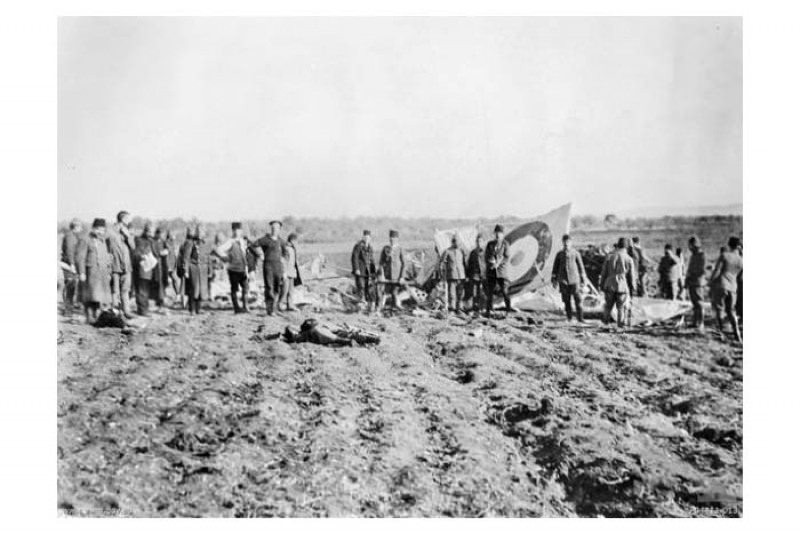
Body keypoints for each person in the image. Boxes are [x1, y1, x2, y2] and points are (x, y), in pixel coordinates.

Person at [75, 218, 113, 324]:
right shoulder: (85, 239)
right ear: (93, 229)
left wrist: (108, 271)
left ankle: (96, 315)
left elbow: (106, 257)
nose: (100, 231)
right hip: (91, 272)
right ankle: (89, 316)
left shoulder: (102, 241)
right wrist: (81, 272)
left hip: (102, 273)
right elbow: (80, 257)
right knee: (89, 295)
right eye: (98, 229)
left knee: (99, 296)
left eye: (102, 229)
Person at [249, 220, 289, 316]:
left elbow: (286, 254)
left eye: (277, 228)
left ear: (279, 229)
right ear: (271, 229)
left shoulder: (281, 241)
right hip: (268, 266)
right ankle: (270, 309)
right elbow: (253, 246)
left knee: (277, 288)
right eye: (273, 228)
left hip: (278, 266)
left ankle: (275, 308)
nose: (275, 229)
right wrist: (260, 254)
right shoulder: (265, 239)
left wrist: (283, 261)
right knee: (269, 287)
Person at [709, 236, 743, 342]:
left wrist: (710, 282)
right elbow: (741, 277)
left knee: (719, 309)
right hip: (733, 288)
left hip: (721, 285)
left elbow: (717, 271)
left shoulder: (724, 255)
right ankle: (737, 333)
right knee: (731, 311)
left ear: (729, 245)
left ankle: (721, 334)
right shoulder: (741, 260)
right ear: (738, 247)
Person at [599, 237, 637, 327]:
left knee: (608, 306)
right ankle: (620, 325)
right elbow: (632, 276)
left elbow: (604, 272)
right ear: (626, 247)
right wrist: (633, 288)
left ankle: (605, 324)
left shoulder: (609, 256)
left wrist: (601, 284)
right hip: (622, 286)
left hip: (609, 284)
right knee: (621, 308)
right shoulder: (629, 259)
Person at [213, 222, 251, 314]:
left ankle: (245, 306)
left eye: (239, 230)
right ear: (233, 231)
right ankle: (236, 308)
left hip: (242, 268)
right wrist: (226, 258)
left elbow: (245, 254)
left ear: (241, 231)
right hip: (233, 269)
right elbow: (218, 250)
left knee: (246, 287)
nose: (237, 232)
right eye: (236, 230)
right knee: (234, 289)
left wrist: (247, 267)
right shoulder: (230, 242)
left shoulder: (242, 241)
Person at [551, 234, 587, 322]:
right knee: (566, 301)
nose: (566, 244)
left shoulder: (575, 253)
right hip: (563, 280)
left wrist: (583, 279)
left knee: (578, 299)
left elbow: (581, 267)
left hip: (574, 280)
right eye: (564, 242)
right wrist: (554, 280)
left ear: (571, 243)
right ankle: (569, 318)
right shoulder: (559, 254)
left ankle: (580, 318)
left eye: (568, 242)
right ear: (562, 243)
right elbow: (555, 268)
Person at [179, 225, 213, 315]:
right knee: (193, 290)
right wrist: (186, 270)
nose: (201, 234)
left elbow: (208, 257)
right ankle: (192, 309)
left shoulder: (205, 244)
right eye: (200, 232)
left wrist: (210, 270)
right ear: (197, 232)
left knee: (201, 290)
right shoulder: (191, 243)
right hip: (193, 268)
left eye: (203, 232)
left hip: (203, 270)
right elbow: (186, 258)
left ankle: (198, 308)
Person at [107, 210, 135, 318]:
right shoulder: (111, 231)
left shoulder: (128, 231)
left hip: (126, 265)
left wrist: (128, 236)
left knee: (125, 289)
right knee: (115, 290)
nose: (129, 221)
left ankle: (126, 311)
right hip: (115, 265)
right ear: (122, 219)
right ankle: (115, 311)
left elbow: (133, 247)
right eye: (128, 218)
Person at [132, 222, 164, 316]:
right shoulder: (139, 240)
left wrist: (161, 253)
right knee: (142, 290)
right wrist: (142, 256)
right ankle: (142, 310)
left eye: (152, 232)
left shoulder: (152, 241)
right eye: (149, 231)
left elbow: (156, 252)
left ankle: (145, 308)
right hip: (143, 268)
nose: (150, 234)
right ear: (145, 231)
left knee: (147, 290)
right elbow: (136, 253)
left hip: (152, 269)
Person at [485, 224, 512, 315]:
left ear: (503, 234)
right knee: (490, 292)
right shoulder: (490, 244)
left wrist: (498, 263)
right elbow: (487, 256)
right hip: (491, 272)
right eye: (496, 233)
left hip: (502, 272)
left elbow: (506, 257)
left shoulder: (505, 244)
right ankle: (489, 310)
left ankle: (508, 309)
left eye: (500, 233)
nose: (497, 235)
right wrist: (491, 262)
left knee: (505, 291)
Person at [377, 230, 406, 310]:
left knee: (394, 292)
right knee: (383, 292)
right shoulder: (385, 249)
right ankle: (379, 308)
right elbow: (381, 263)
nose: (392, 240)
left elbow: (404, 264)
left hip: (397, 276)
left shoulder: (400, 249)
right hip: (387, 276)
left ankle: (394, 308)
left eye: (394, 238)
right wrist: (382, 275)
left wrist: (402, 277)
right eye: (391, 238)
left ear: (397, 239)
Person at [438, 235, 467, 313]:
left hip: (461, 275)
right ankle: (452, 309)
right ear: (452, 242)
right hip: (451, 275)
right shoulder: (447, 251)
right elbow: (441, 263)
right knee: (452, 294)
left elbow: (464, 263)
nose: (457, 243)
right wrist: (442, 274)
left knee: (461, 294)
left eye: (459, 242)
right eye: (456, 242)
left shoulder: (461, 251)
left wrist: (466, 275)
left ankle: (459, 308)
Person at [60, 218, 82, 316]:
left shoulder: (72, 236)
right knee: (70, 286)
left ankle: (69, 308)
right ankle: (68, 310)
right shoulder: (70, 237)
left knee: (71, 286)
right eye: (80, 227)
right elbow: (69, 251)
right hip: (69, 265)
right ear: (76, 227)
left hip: (70, 264)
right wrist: (72, 264)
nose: (81, 229)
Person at [685, 236, 707, 331]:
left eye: (690, 245)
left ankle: (701, 323)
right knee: (694, 303)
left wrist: (693, 275)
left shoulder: (702, 256)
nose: (689, 248)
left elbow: (702, 270)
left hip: (698, 282)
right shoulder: (693, 256)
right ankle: (695, 322)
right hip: (692, 282)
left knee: (699, 303)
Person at [351, 230, 377, 309]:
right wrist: (356, 269)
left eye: (368, 238)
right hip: (360, 270)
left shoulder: (370, 248)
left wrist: (373, 272)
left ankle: (366, 303)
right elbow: (354, 258)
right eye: (365, 237)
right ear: (363, 237)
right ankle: (360, 302)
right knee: (361, 286)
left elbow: (372, 260)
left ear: (370, 239)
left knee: (367, 287)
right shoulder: (358, 246)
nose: (366, 239)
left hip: (367, 271)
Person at [280, 233, 302, 311]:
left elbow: (294, 261)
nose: (297, 243)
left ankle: (290, 305)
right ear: (292, 240)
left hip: (292, 272)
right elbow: (283, 261)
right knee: (284, 290)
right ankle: (279, 305)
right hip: (286, 272)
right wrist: (284, 272)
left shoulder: (292, 248)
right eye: (296, 241)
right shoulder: (286, 248)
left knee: (291, 290)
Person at [465, 234, 487, 313]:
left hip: (484, 275)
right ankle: (475, 308)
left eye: (480, 241)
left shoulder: (486, 252)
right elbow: (469, 264)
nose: (479, 243)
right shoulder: (473, 253)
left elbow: (489, 263)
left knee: (484, 292)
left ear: (483, 242)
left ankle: (483, 308)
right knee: (475, 293)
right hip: (474, 275)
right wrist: (467, 275)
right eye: (477, 241)